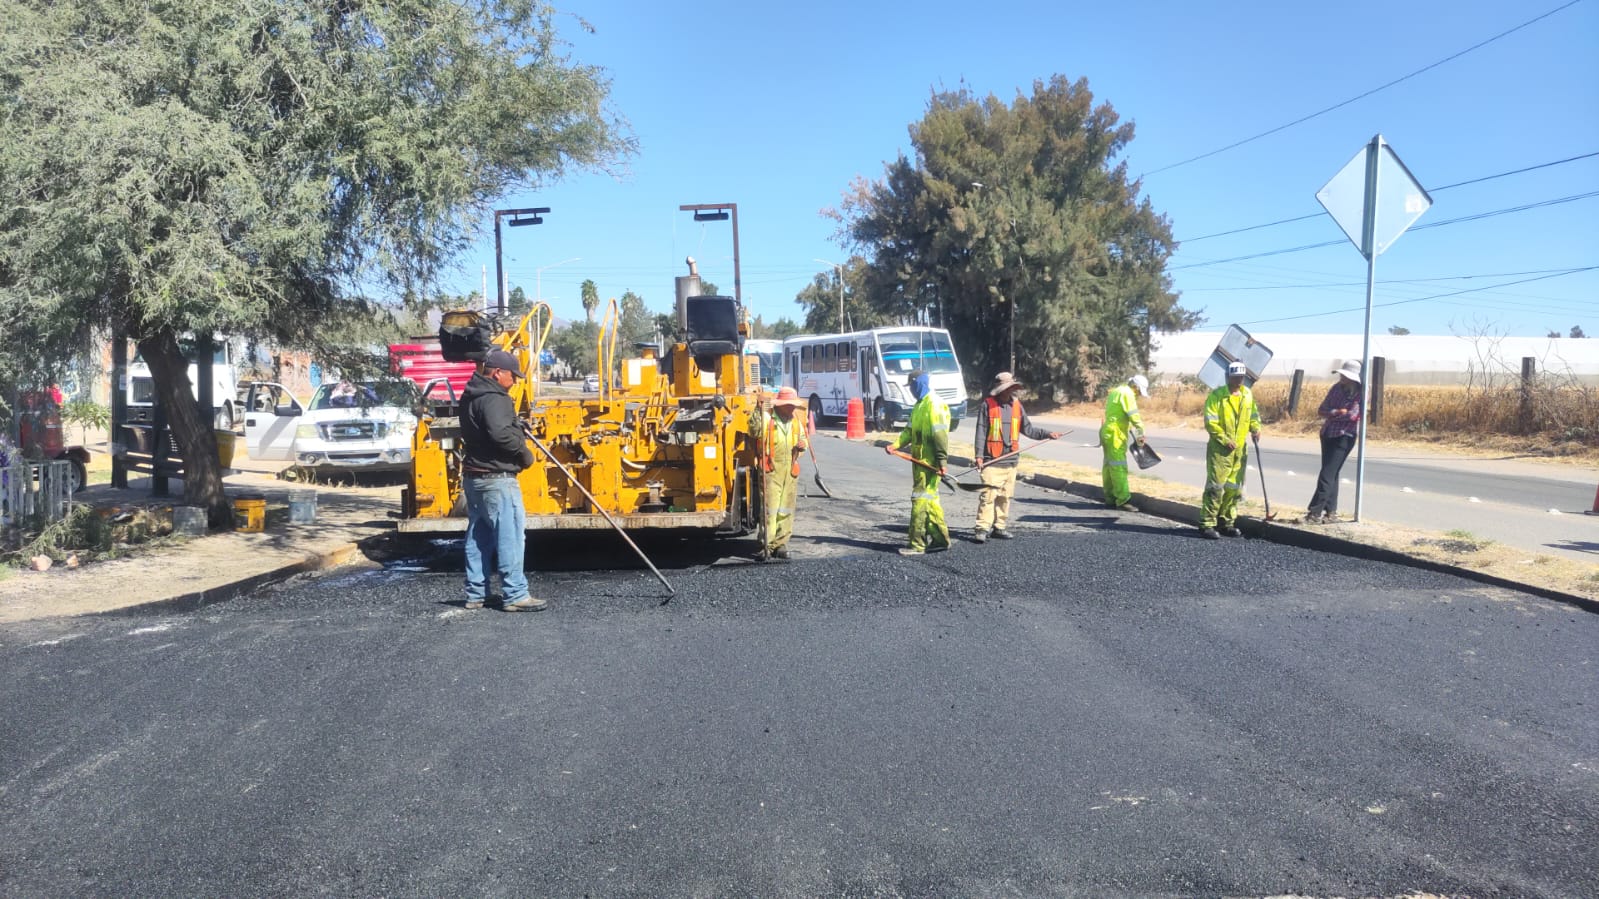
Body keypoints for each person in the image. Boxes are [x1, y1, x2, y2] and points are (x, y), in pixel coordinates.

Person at [459, 349, 542, 611]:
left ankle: (476, 593)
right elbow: (500, 434)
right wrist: (523, 451)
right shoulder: (497, 398)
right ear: (497, 373)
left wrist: (515, 426)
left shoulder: (470, 394)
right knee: (511, 537)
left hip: (474, 477)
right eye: (512, 376)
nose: (514, 381)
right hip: (497, 478)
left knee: (478, 536)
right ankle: (515, 594)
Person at [972, 371, 1060, 543]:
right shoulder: (987, 405)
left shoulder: (1017, 406)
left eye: (1011, 388)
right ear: (1000, 389)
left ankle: (999, 527)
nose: (1009, 391)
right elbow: (981, 432)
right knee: (988, 497)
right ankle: (982, 528)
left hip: (1011, 461)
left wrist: (1048, 434)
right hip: (992, 460)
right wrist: (979, 456)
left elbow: (1029, 429)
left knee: (1005, 497)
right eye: (1007, 388)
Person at [886, 369, 951, 556]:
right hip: (919, 463)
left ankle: (917, 544)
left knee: (920, 501)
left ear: (919, 383)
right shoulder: (918, 406)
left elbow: (940, 436)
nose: (911, 390)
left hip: (929, 464)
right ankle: (940, 539)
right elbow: (909, 431)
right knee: (930, 500)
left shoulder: (934, 405)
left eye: (912, 386)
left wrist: (941, 462)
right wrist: (895, 445)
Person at [1199, 361, 1261, 540]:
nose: (1238, 381)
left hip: (1240, 451)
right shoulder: (1217, 396)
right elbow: (1210, 422)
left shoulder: (1247, 395)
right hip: (1220, 451)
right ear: (1228, 377)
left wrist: (1256, 428)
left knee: (1234, 488)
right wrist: (1225, 440)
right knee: (1215, 487)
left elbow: (1253, 415)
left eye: (1241, 377)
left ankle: (1226, 522)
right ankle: (1207, 523)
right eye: (1235, 377)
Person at [750, 386, 809, 560]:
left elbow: (803, 439)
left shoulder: (795, 421)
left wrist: (802, 445)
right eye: (789, 404)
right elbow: (753, 431)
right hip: (771, 470)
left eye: (793, 404)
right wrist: (757, 410)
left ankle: (781, 544)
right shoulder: (766, 417)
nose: (792, 407)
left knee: (786, 508)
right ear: (780, 405)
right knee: (770, 509)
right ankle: (766, 544)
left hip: (789, 469)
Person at [1305, 360, 1363, 524]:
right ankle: (1331, 512)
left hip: (1345, 436)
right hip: (1328, 434)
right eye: (1342, 374)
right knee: (1332, 473)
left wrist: (1333, 414)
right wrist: (1337, 412)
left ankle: (1314, 512)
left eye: (1345, 375)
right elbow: (1322, 410)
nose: (1342, 377)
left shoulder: (1360, 393)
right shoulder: (1336, 388)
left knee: (1327, 474)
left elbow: (1353, 415)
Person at [1100, 374, 1150, 512]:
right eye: (1139, 392)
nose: (1139, 395)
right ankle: (1123, 500)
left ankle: (1110, 498)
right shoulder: (1127, 394)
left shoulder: (1117, 391)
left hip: (1108, 432)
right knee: (1118, 466)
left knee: (1109, 466)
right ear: (1135, 387)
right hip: (1115, 434)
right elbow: (1134, 417)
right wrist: (1140, 435)